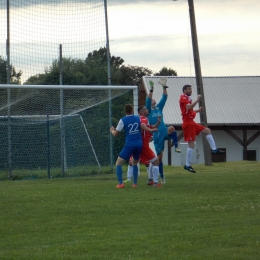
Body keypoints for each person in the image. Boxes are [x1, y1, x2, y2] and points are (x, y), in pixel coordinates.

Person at [110, 104, 157, 188]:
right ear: (132, 110)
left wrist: (112, 130)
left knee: (118, 163)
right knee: (135, 162)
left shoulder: (122, 120)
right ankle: (134, 183)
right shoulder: (137, 118)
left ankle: (120, 183)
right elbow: (142, 127)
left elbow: (115, 134)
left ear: (125, 111)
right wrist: (150, 130)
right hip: (139, 143)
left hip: (130, 144)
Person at [179, 84, 224, 173]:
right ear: (184, 90)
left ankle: (214, 149)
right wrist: (197, 99)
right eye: (189, 89)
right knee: (191, 145)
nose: (190, 91)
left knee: (208, 131)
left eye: (191, 89)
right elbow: (188, 107)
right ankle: (187, 165)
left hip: (192, 122)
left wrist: (198, 111)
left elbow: (189, 110)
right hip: (188, 124)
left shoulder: (188, 99)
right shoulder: (183, 97)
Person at [146, 78, 181, 183]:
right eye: (152, 100)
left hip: (164, 131)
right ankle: (161, 176)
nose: (153, 100)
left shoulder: (159, 108)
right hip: (156, 135)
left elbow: (164, 97)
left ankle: (177, 146)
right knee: (159, 158)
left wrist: (164, 87)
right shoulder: (148, 111)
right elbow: (148, 100)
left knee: (171, 128)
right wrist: (151, 90)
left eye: (153, 100)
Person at [124, 105, 162, 187]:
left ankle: (149, 180)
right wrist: (150, 130)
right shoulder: (143, 118)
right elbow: (143, 126)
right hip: (144, 145)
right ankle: (155, 182)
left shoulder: (139, 119)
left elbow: (150, 126)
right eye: (145, 109)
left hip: (139, 144)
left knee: (137, 162)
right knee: (155, 162)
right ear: (142, 112)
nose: (147, 110)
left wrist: (158, 123)